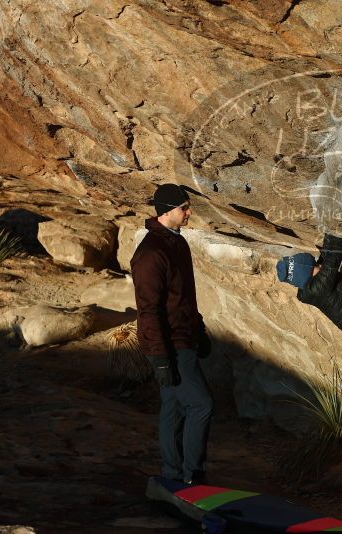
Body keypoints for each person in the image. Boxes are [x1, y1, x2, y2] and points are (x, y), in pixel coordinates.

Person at [130, 183, 213, 485]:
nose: (189, 212)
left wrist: (199, 330)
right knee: (201, 405)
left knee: (174, 406)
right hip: (169, 345)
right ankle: (193, 477)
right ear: (168, 210)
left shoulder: (178, 243)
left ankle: (173, 474)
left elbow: (183, 298)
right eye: (184, 207)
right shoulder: (151, 254)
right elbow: (148, 309)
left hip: (183, 338)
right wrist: (160, 357)